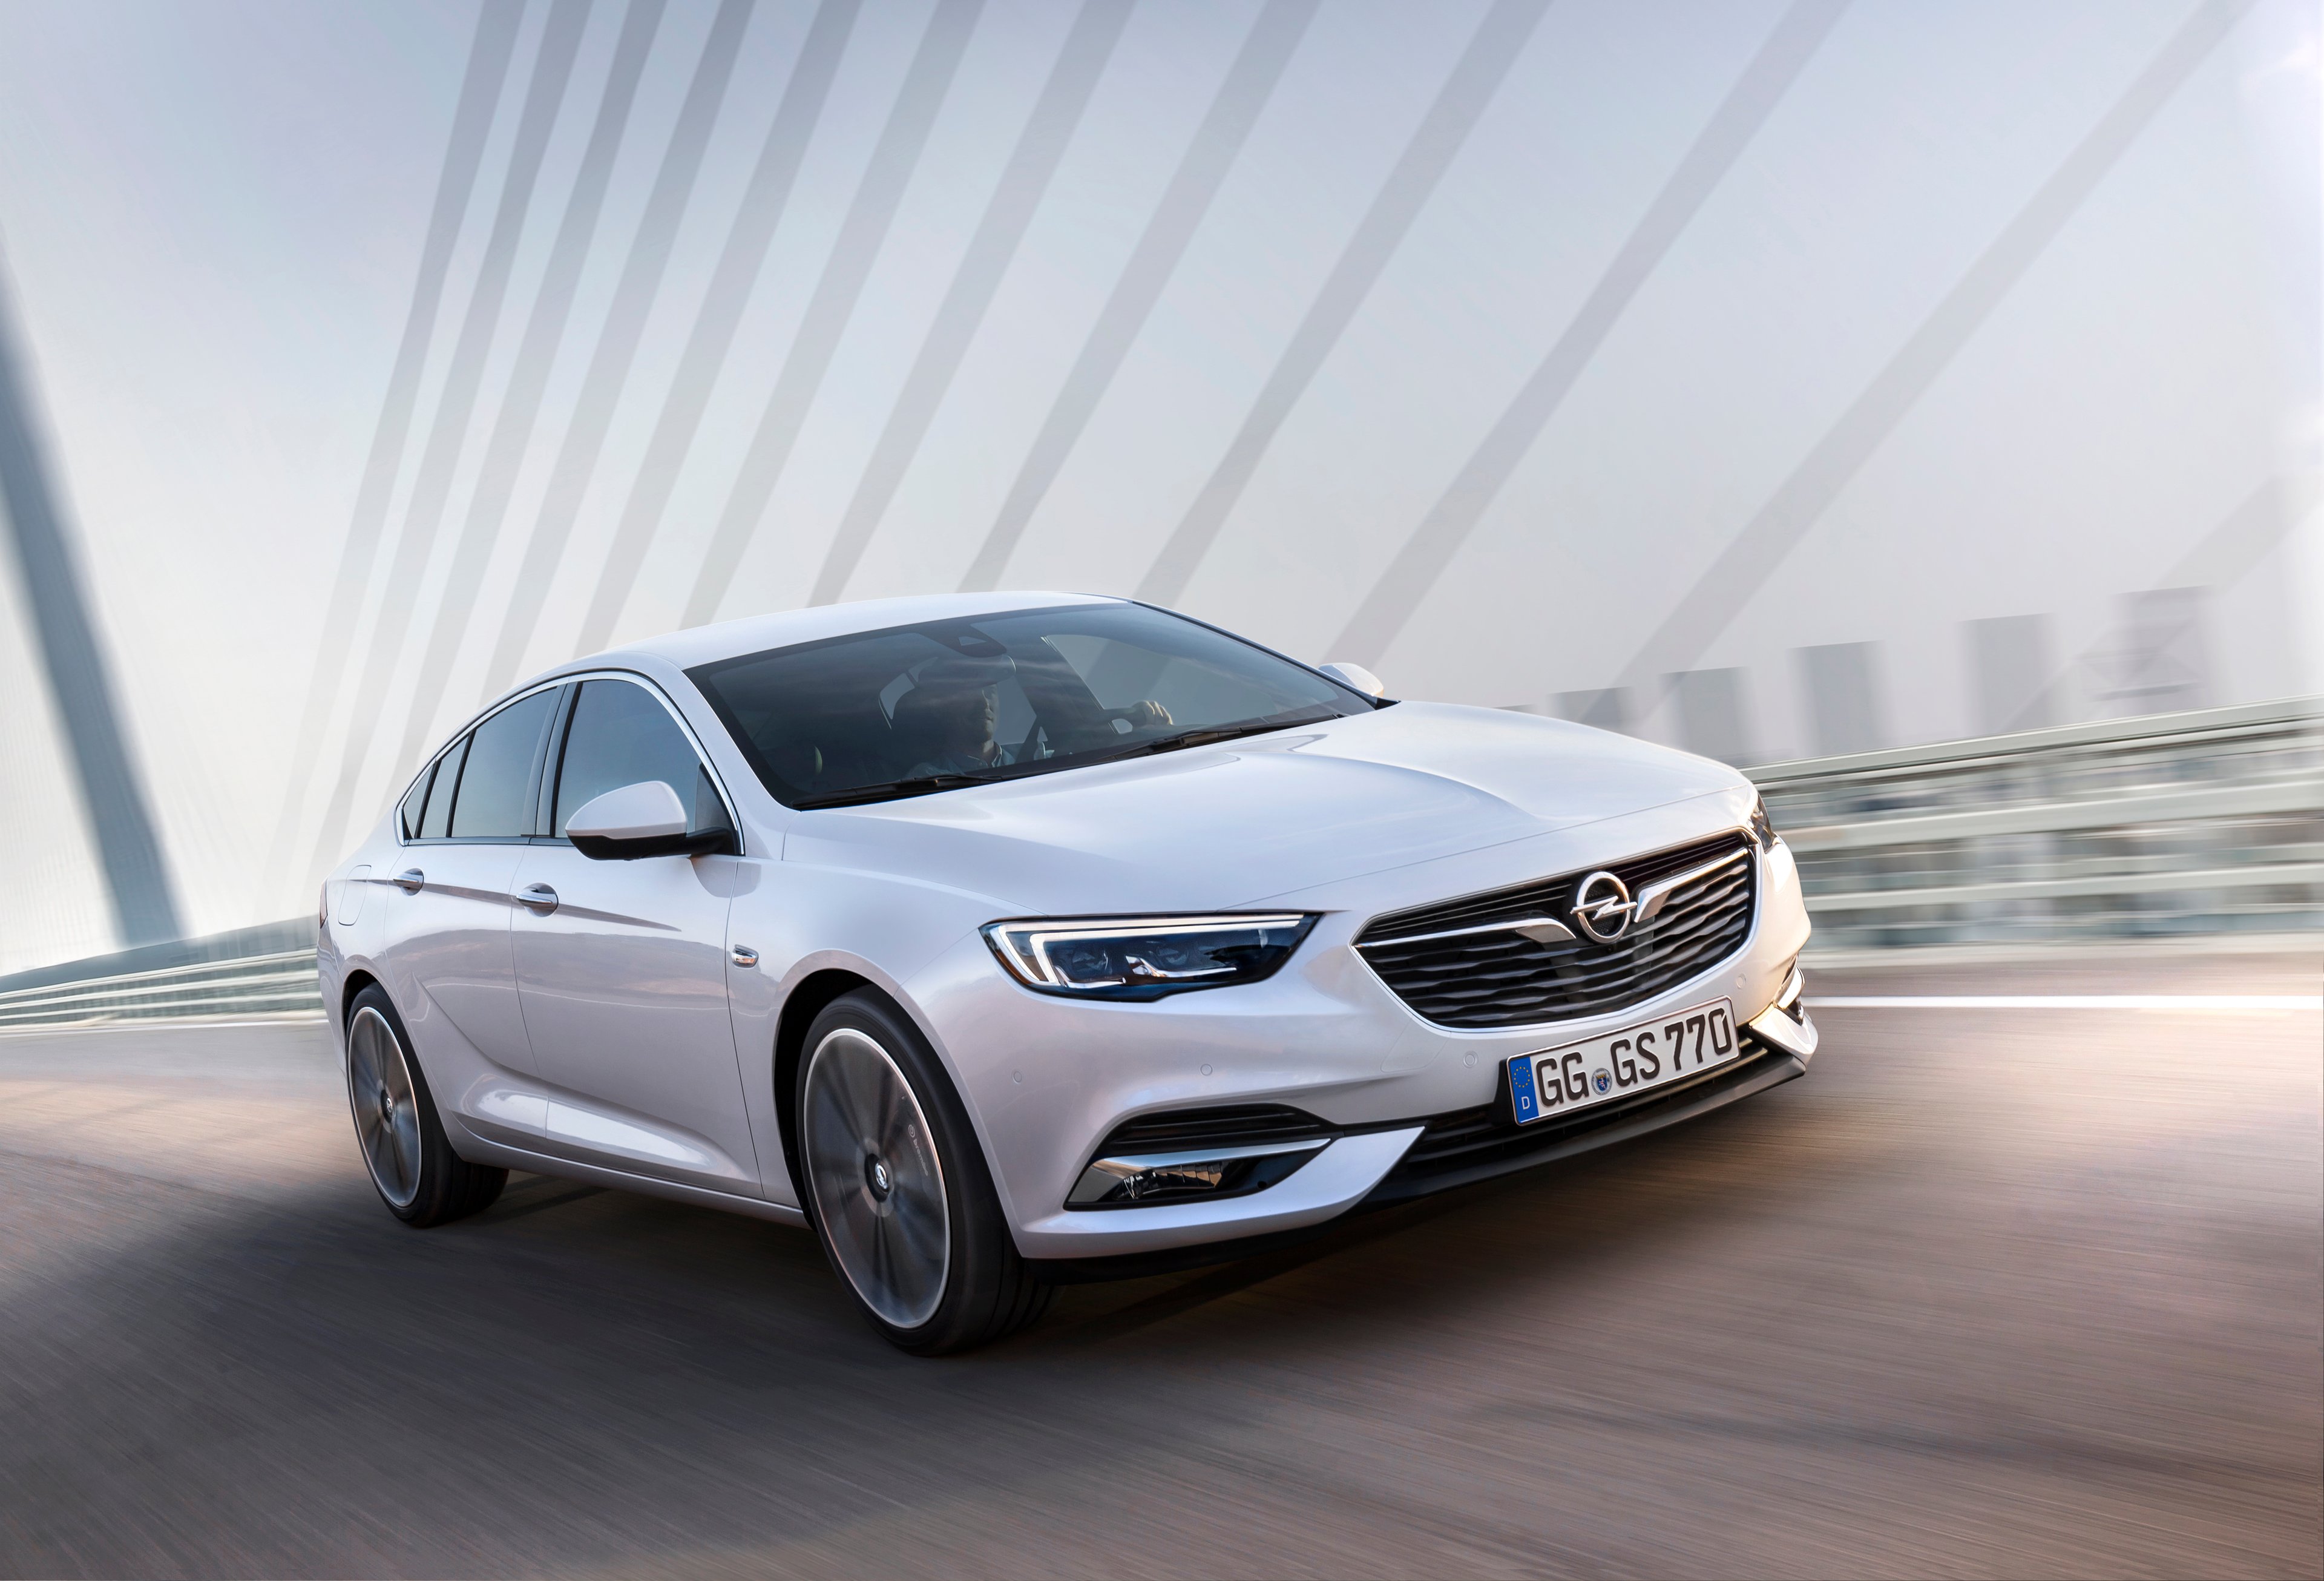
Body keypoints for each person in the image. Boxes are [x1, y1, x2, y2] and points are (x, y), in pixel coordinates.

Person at [895, 657, 1173, 778]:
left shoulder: (1042, 757)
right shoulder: (928, 778)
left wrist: (1151, 736)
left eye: (990, 691)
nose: (982, 703)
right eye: (967, 694)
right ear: (943, 709)